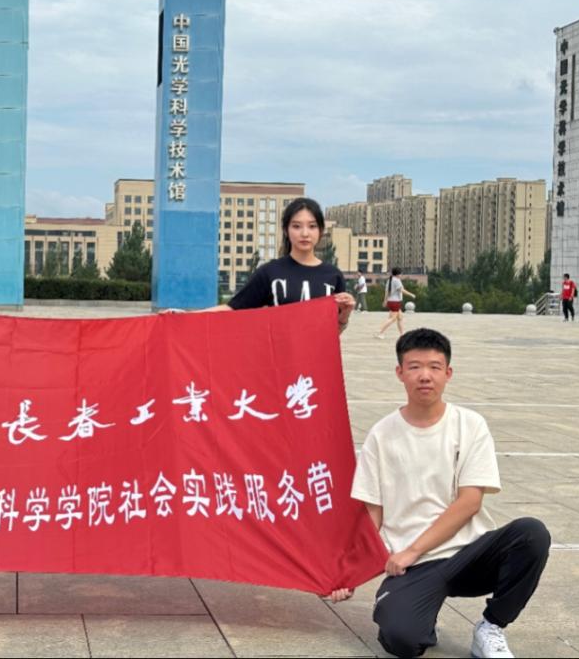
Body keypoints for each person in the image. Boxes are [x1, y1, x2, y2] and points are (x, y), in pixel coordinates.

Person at [328, 328, 550, 658]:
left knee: (531, 533)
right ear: (400, 373)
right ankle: (420, 614)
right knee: (401, 641)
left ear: (448, 373)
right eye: (414, 367)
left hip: (469, 553)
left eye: (434, 367)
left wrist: (412, 550)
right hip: (414, 566)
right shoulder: (381, 435)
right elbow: (372, 514)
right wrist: (348, 574)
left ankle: (491, 626)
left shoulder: (470, 425)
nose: (425, 376)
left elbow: (470, 502)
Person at [207, 197, 355, 332]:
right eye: (296, 226)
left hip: (318, 354)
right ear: (286, 230)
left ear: (320, 231)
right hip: (279, 352)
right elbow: (233, 309)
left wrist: (345, 314)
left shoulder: (333, 276)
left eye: (312, 226)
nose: (305, 233)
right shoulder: (270, 272)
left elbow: (332, 334)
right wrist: (192, 317)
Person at [375, 267, 415, 339]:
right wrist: (411, 294)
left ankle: (402, 334)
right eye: (401, 274)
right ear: (397, 274)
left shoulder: (390, 280)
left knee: (400, 317)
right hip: (395, 302)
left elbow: (387, 292)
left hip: (391, 301)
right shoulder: (397, 280)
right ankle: (380, 332)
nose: (401, 275)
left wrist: (385, 301)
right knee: (392, 319)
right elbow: (402, 290)